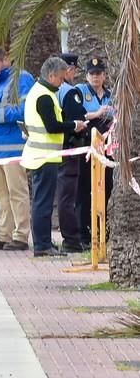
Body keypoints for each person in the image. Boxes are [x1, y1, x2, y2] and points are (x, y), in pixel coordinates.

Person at [21, 57, 87, 257]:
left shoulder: (40, 92)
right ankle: (42, 244)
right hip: (44, 156)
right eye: (60, 78)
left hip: (43, 155)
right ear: (50, 76)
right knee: (43, 202)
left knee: (43, 201)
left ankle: (44, 241)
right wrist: (74, 125)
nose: (62, 82)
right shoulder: (44, 96)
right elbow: (52, 126)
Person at [0, 46, 34, 251]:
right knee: (0, 193)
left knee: (16, 191)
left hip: (12, 148)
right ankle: (3, 233)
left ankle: (20, 235)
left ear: (6, 60)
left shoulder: (21, 79)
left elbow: (23, 111)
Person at [75, 57, 114, 247]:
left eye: (98, 74)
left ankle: (104, 232)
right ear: (86, 76)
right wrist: (98, 113)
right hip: (86, 146)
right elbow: (78, 115)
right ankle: (84, 235)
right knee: (84, 189)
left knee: (106, 188)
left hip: (107, 148)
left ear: (104, 75)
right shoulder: (80, 92)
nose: (95, 77)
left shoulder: (110, 94)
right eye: (91, 74)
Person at [55, 53, 88, 253]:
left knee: (62, 196)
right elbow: (79, 119)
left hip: (56, 149)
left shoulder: (51, 90)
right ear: (70, 69)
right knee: (69, 196)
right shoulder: (69, 91)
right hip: (69, 149)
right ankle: (72, 240)